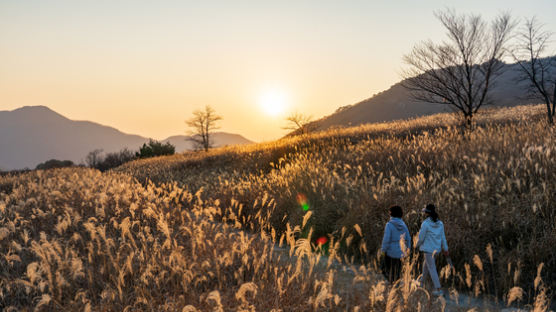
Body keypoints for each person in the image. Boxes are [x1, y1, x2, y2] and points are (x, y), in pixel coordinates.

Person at [416, 203, 449, 296]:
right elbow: (443, 237)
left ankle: (438, 289)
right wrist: (445, 248)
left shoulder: (425, 223)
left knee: (431, 268)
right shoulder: (440, 223)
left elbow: (421, 238)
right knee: (426, 266)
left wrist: (416, 245)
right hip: (436, 250)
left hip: (427, 249)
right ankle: (421, 284)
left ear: (426, 213)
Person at [381, 205, 411, 283]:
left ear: (391, 214)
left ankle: (391, 285)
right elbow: (408, 238)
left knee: (385, 269)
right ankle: (396, 285)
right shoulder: (404, 225)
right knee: (397, 272)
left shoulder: (389, 225)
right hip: (401, 251)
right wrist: (408, 249)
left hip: (390, 252)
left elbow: (386, 239)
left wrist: (383, 250)